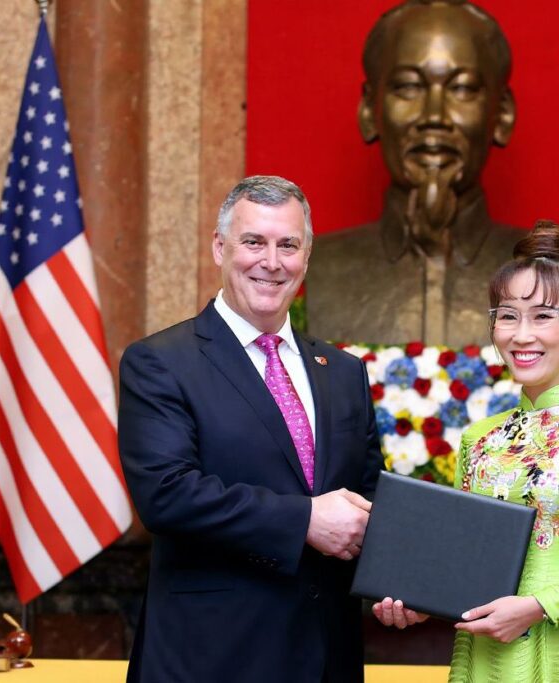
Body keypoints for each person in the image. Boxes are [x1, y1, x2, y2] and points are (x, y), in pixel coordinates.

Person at [118, 175, 384, 683]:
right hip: (211, 657)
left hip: (328, 657)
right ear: (220, 248)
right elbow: (166, 495)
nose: (272, 261)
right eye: (254, 242)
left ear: (307, 257)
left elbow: (369, 495)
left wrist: (401, 580)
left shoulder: (343, 371)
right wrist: (304, 519)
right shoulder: (160, 363)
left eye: (289, 245)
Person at [373, 220, 559, 682]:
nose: (521, 335)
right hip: (491, 650)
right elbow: (466, 560)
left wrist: (539, 606)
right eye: (508, 316)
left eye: (542, 316)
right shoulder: (480, 438)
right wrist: (423, 600)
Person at [305, 0, 524, 346]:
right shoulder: (322, 265)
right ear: (369, 110)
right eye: (408, 87)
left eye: (462, 88)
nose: (434, 116)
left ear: (502, 115)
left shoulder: (547, 272)